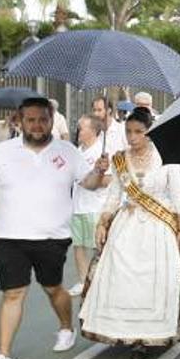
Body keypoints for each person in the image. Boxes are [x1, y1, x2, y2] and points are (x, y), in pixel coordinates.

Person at [0, 97, 107, 359]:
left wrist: (98, 171)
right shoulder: (1, 152)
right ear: (20, 121)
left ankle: (66, 327)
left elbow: (88, 184)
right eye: (31, 120)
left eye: (43, 119)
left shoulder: (67, 152)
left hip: (52, 237)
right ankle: (3, 353)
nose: (37, 125)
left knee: (53, 288)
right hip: (10, 237)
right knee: (13, 293)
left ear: (52, 120)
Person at [79, 108, 180, 359]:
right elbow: (113, 196)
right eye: (128, 132)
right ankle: (128, 334)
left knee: (155, 281)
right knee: (123, 280)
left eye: (138, 132)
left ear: (149, 133)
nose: (132, 137)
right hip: (128, 225)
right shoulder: (120, 159)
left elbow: (178, 197)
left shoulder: (166, 158)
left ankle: (148, 336)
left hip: (158, 229)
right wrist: (103, 223)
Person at [68, 115, 112, 296]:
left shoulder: (101, 153)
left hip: (96, 208)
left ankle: (101, 283)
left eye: (82, 128)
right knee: (78, 246)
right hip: (78, 206)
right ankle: (83, 281)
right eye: (79, 127)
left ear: (94, 131)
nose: (79, 131)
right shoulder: (78, 151)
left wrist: (95, 175)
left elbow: (108, 180)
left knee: (98, 248)